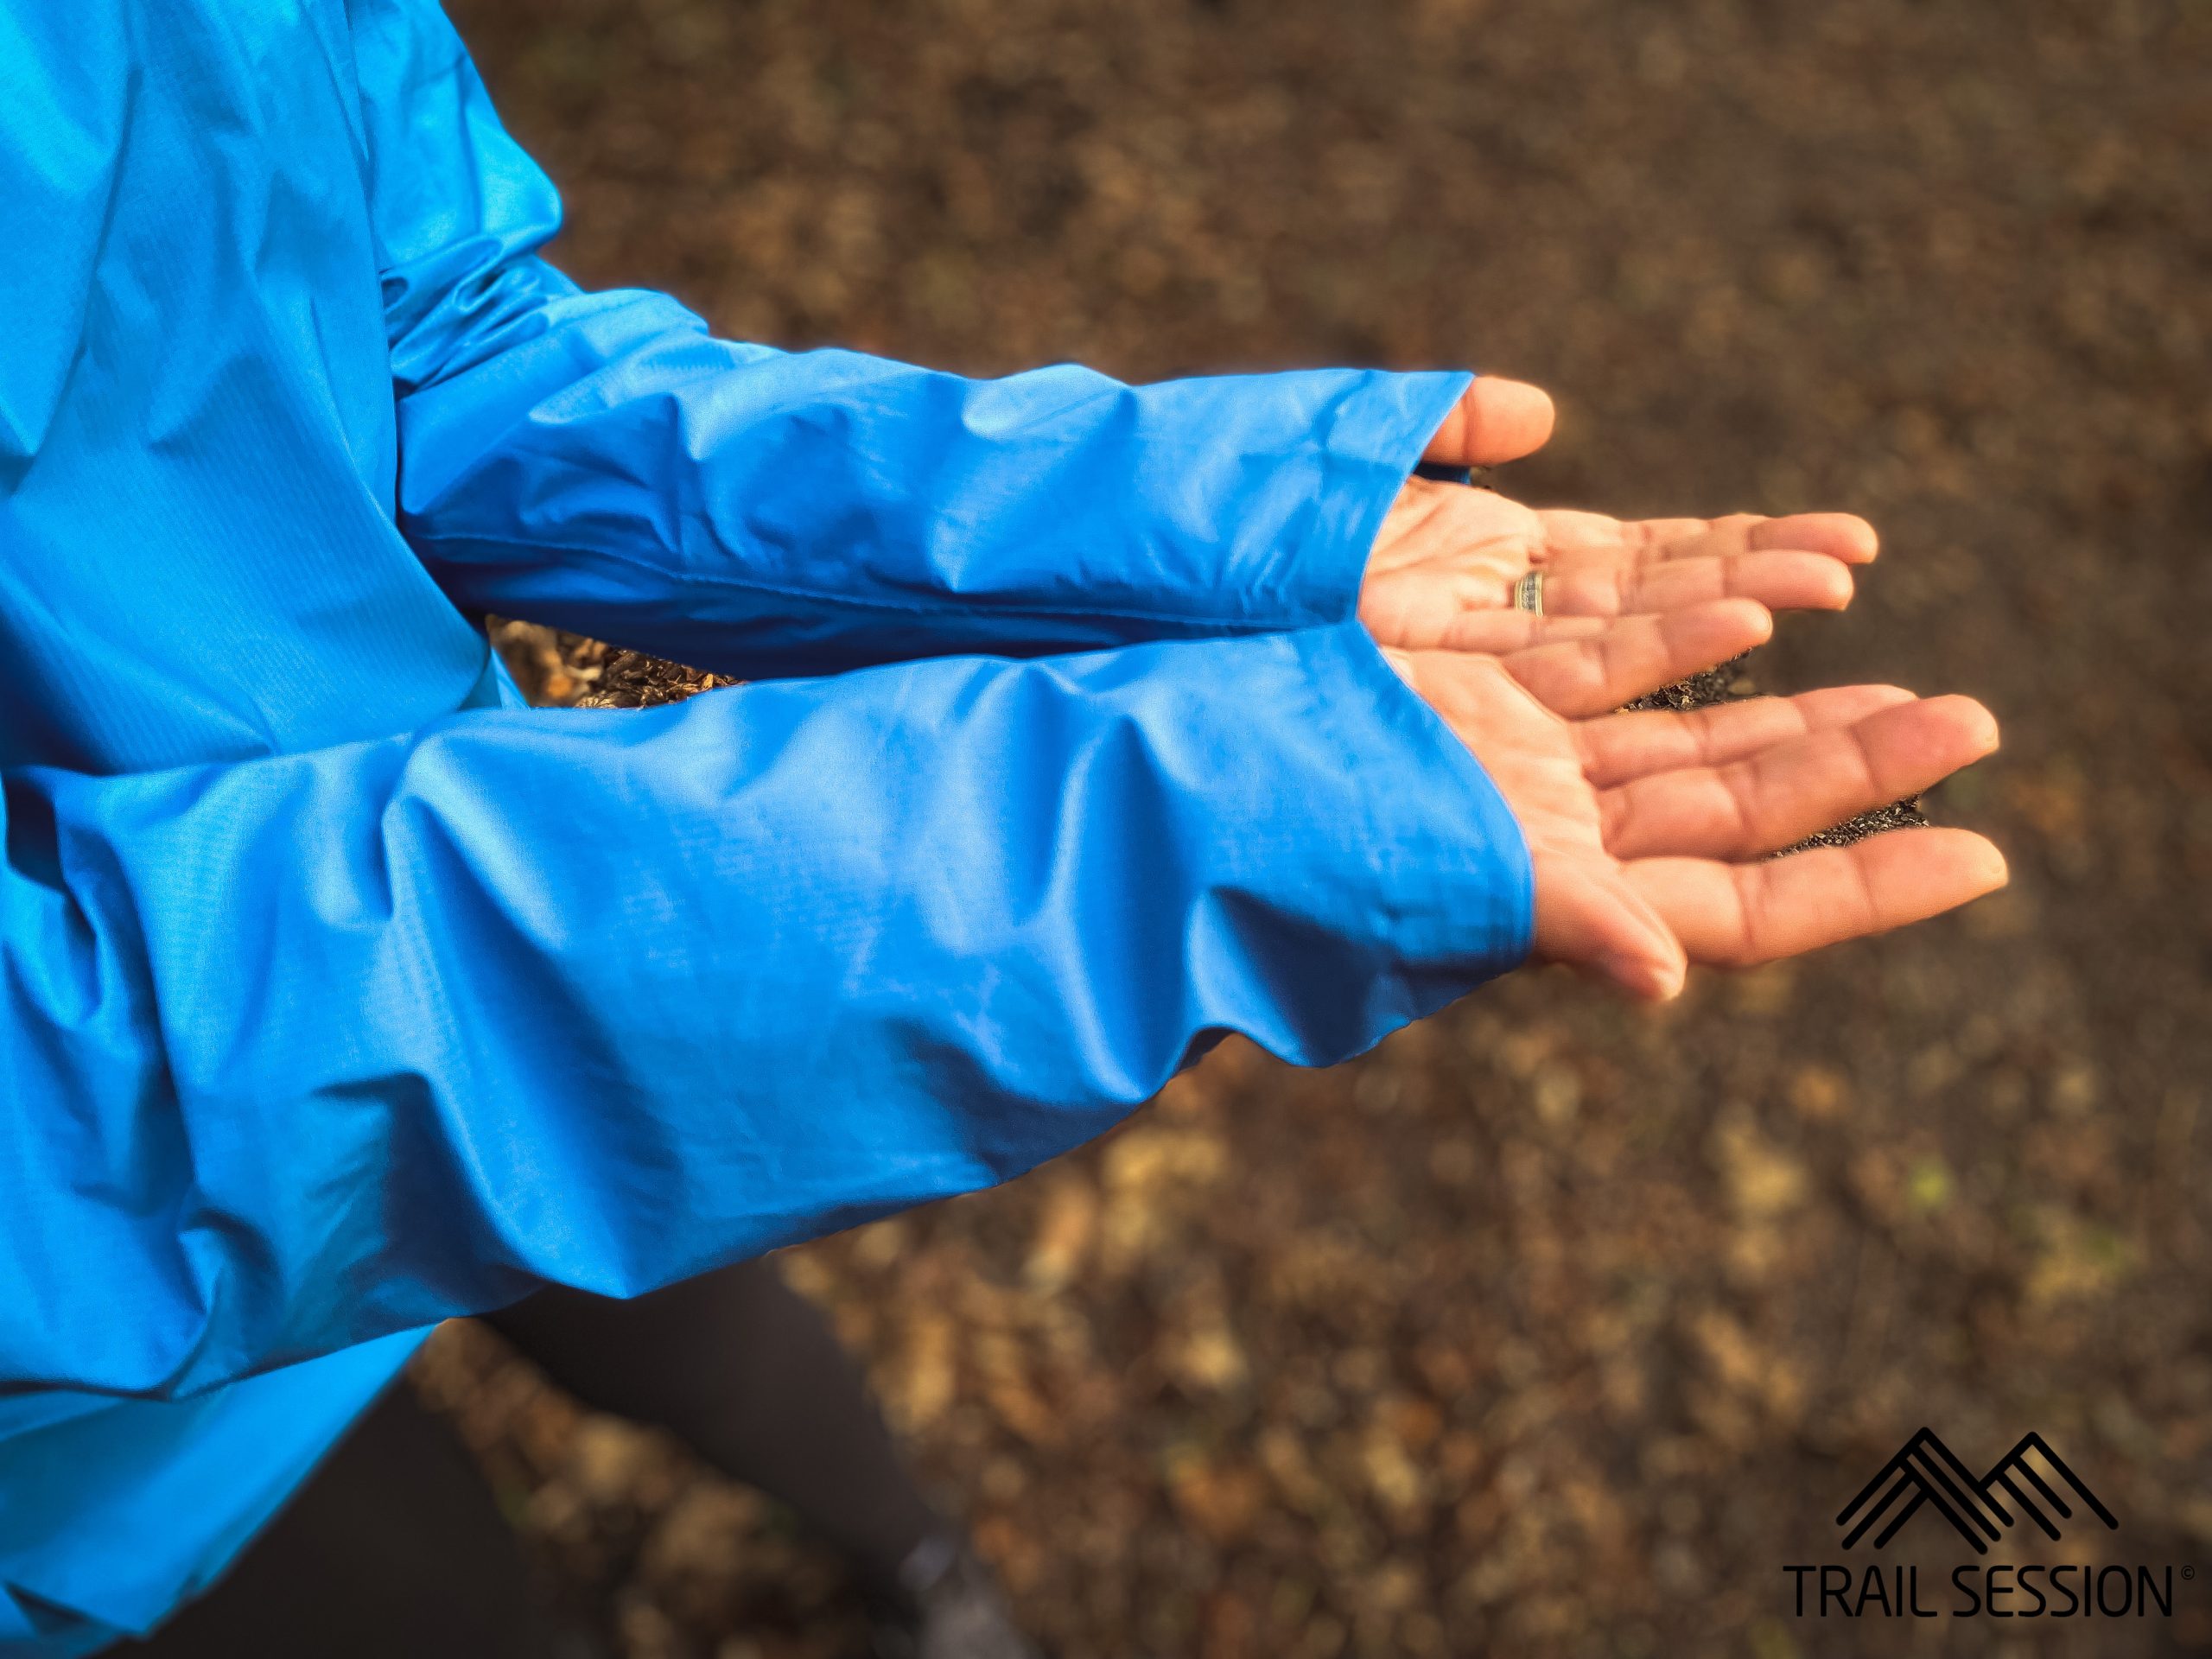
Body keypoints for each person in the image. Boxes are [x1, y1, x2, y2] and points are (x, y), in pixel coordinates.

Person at [0, 1, 2007, 1655]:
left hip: (503, 954)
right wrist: (1178, 803)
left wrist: (1222, 530)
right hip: (91, 1434)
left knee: (721, 1350)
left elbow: (437, 341)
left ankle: (923, 1582)